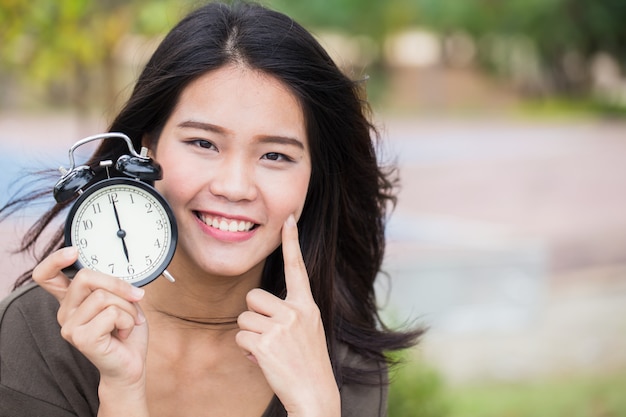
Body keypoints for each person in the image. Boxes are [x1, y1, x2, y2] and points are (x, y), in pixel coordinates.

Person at [0, 2, 422, 416]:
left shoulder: (341, 366)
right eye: (203, 143)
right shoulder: (37, 334)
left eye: (275, 155)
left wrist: (315, 409)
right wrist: (122, 392)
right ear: (148, 148)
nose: (234, 187)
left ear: (315, 178)